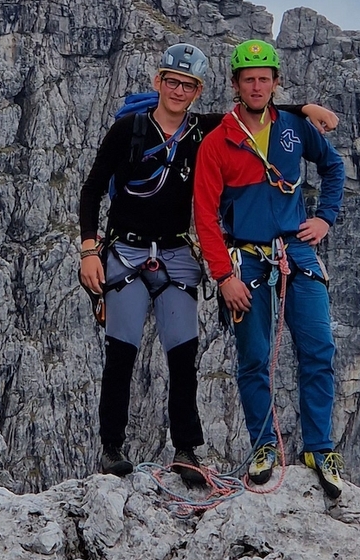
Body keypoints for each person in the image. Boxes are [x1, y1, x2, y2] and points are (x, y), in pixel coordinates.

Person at [78, 43, 336, 485]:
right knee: (122, 352)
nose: (178, 91)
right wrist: (88, 250)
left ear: (198, 91)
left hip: (179, 253)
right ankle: (111, 449)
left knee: (184, 355)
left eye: (188, 85)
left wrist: (305, 108)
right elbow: (92, 189)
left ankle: (186, 450)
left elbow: (256, 111)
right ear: (158, 82)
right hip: (127, 251)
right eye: (172, 82)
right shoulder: (128, 131)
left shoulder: (202, 131)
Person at [192, 37, 347, 499]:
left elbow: (333, 167)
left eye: (264, 78)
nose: (257, 86)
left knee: (319, 348)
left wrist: (324, 217)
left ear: (276, 83)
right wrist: (224, 277)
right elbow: (205, 216)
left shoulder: (295, 128)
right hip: (247, 259)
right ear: (236, 85)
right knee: (254, 357)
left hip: (297, 252)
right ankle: (264, 446)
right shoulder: (218, 142)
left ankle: (320, 448)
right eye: (249, 79)